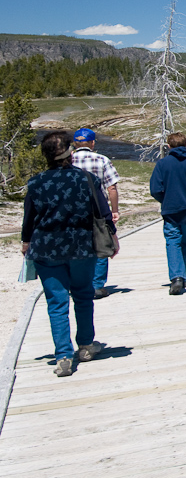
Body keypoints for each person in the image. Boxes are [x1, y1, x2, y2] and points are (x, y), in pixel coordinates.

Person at [22, 131, 115, 376]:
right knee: (83, 295)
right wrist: (112, 238)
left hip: (46, 248)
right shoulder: (87, 180)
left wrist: (25, 242)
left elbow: (29, 219)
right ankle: (85, 345)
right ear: (70, 154)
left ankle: (63, 354)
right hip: (81, 246)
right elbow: (103, 212)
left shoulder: (36, 182)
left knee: (56, 302)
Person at [150, 133, 186, 295]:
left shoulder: (162, 164)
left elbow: (155, 189)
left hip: (170, 209)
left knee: (173, 241)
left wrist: (164, 199)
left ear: (168, 147)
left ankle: (176, 277)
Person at [70, 128, 120, 300]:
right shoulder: (102, 160)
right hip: (97, 207)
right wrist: (114, 210)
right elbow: (111, 187)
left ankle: (78, 281)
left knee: (76, 244)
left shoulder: (68, 160)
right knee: (100, 242)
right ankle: (97, 285)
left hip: (72, 209)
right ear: (92, 143)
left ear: (75, 143)